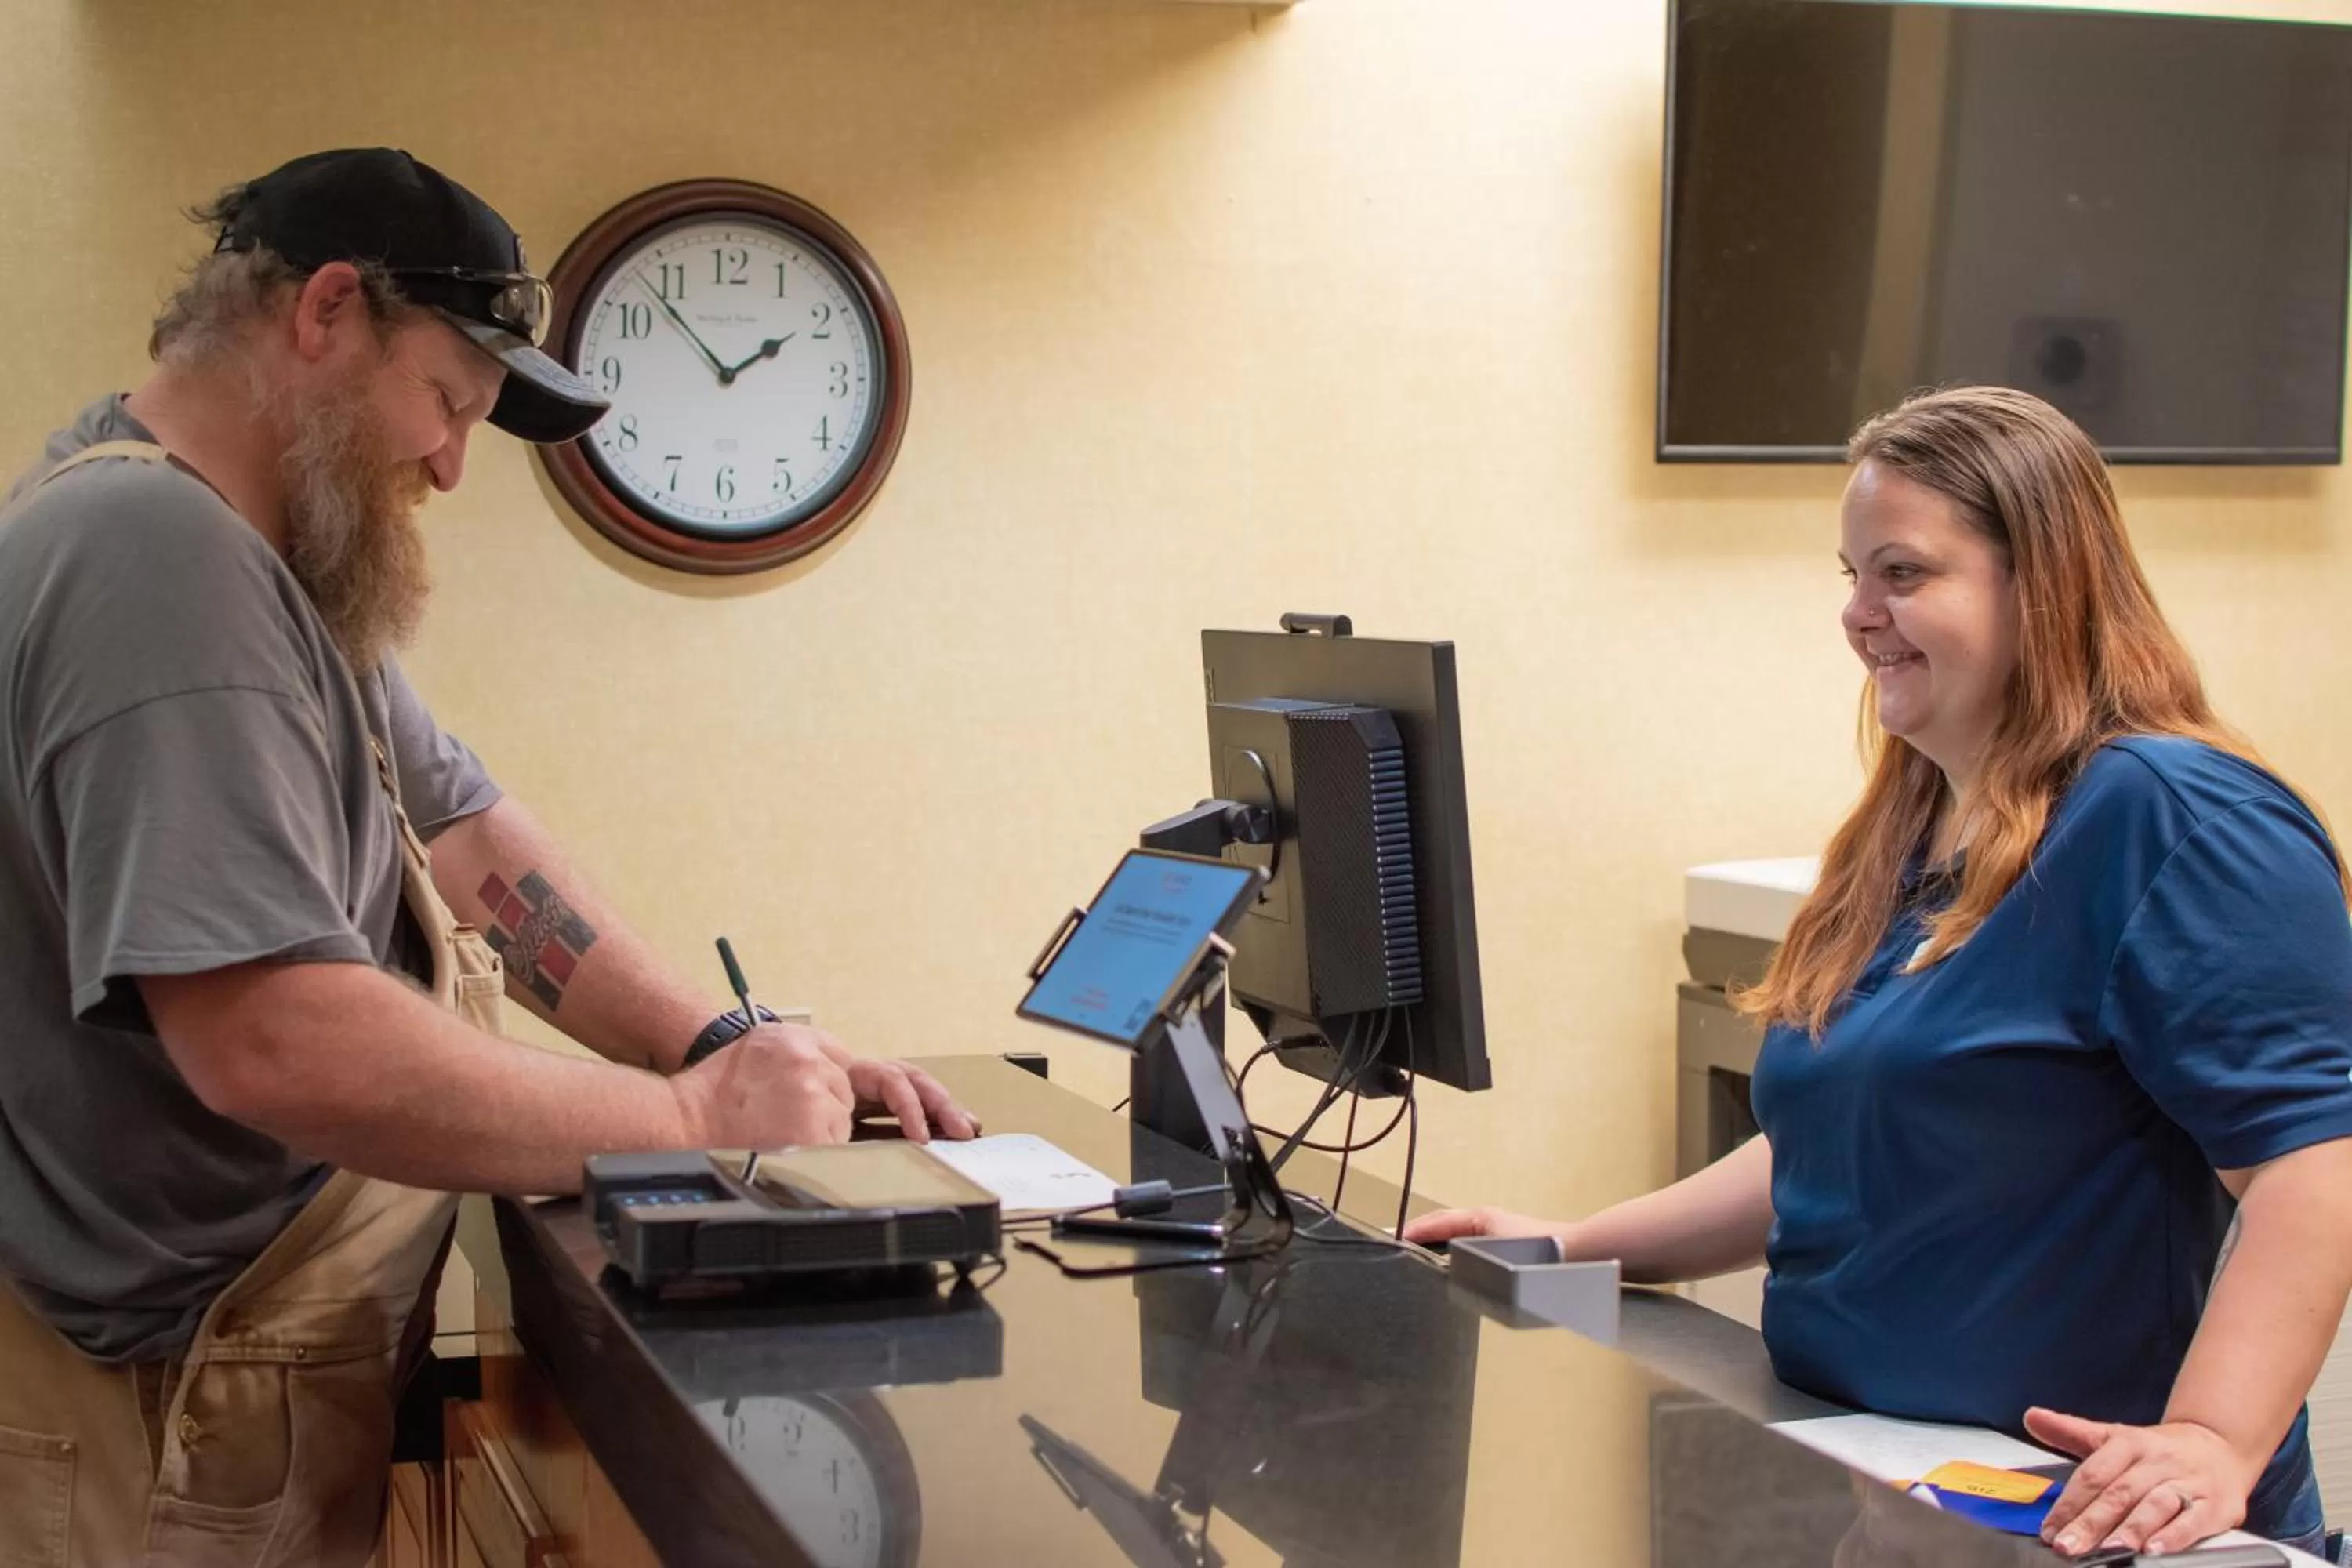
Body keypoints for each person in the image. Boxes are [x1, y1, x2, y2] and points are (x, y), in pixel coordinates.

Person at [0, 148, 975, 1566]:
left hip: (228, 1397)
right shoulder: (156, 561)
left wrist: (725, 1042)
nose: (452, 463)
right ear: (328, 312)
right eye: (448, 399)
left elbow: (465, 844)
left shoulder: (245, 559)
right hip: (167, 1432)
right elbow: (274, 1041)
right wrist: (702, 1126)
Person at [1408, 386, 2352, 1559]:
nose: (1859, 616)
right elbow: (1843, 1142)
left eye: (1903, 574)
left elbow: (2313, 1167)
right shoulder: (1917, 825)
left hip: (2086, 1521)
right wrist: (1576, 1242)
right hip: (1890, 1487)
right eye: (1851, 575)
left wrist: (2214, 1439)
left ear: (2040, 584)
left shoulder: (2175, 816)